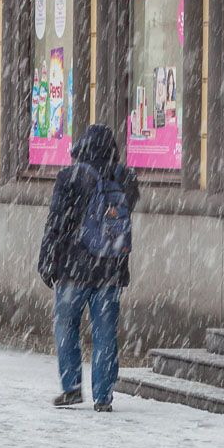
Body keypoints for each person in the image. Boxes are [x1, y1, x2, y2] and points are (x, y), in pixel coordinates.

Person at [38, 124, 140, 412]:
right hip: (110, 269)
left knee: (66, 326)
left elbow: (55, 222)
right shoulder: (124, 179)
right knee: (105, 333)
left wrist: (47, 258)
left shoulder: (70, 177)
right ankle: (103, 396)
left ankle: (71, 387)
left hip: (74, 268)